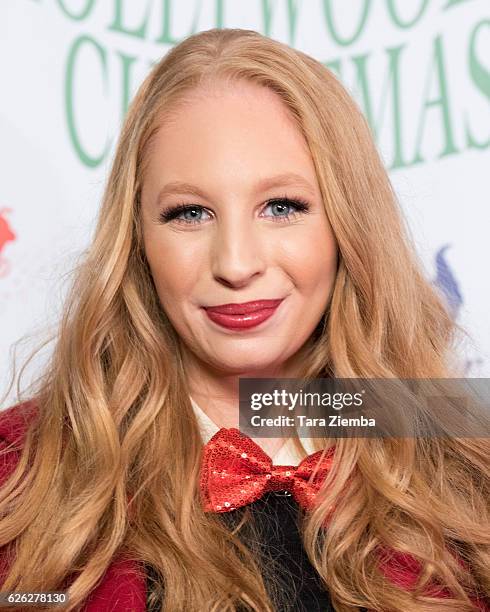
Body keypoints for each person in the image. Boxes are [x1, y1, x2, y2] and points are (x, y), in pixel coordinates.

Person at [0, 27, 488, 612]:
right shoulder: (17, 477)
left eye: (282, 207)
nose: (236, 263)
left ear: (347, 226)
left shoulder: (464, 465)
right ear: (137, 241)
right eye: (190, 213)